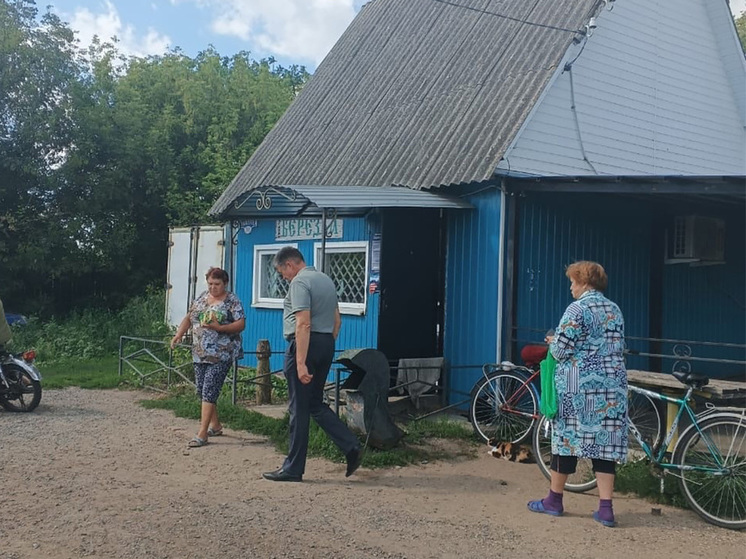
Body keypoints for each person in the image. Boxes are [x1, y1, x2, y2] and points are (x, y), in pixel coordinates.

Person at [528, 261, 628, 527]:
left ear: (584, 281)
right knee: (604, 445)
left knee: (567, 440)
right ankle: (605, 509)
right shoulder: (614, 310)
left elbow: (561, 351)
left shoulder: (577, 308)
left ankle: (554, 500)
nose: (571, 286)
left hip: (578, 386)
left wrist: (554, 341)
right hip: (611, 388)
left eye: (573, 281)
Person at [262, 246, 362, 482]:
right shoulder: (325, 279)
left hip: (305, 344)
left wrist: (300, 362)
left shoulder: (299, 282)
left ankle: (293, 468)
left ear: (289, 264)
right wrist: (324, 344)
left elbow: (303, 324)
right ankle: (351, 446)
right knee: (315, 403)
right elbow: (337, 320)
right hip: (326, 342)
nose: (284, 278)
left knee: (299, 408)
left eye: (282, 272)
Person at [171, 267, 245, 448]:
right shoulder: (202, 297)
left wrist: (220, 328)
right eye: (210, 283)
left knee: (210, 389)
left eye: (217, 284)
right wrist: (179, 334)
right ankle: (216, 425)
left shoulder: (231, 301)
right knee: (202, 389)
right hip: (200, 352)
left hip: (222, 353)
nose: (213, 287)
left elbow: (241, 324)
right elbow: (190, 317)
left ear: (225, 284)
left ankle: (202, 434)